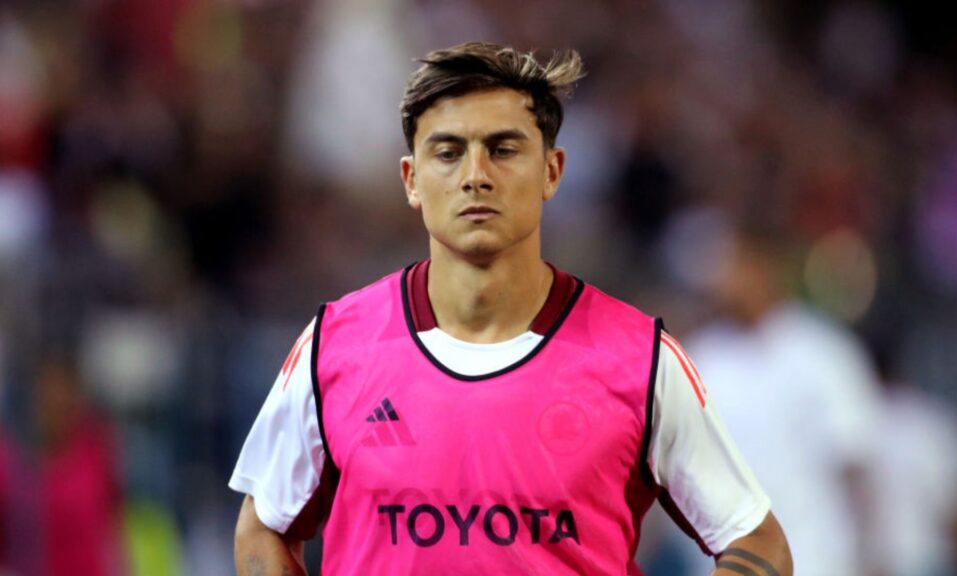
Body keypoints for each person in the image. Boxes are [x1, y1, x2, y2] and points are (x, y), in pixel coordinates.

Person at [230, 42, 791, 575]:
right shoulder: (334, 346)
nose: (475, 176)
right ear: (411, 180)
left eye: (503, 149)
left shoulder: (640, 359)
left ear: (552, 171)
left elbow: (757, 540)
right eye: (448, 153)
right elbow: (262, 529)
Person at [680, 223, 879, 576]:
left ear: (766, 267)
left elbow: (856, 466)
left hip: (816, 563)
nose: (726, 279)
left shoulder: (824, 353)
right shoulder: (699, 358)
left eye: (738, 265)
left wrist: (872, 555)